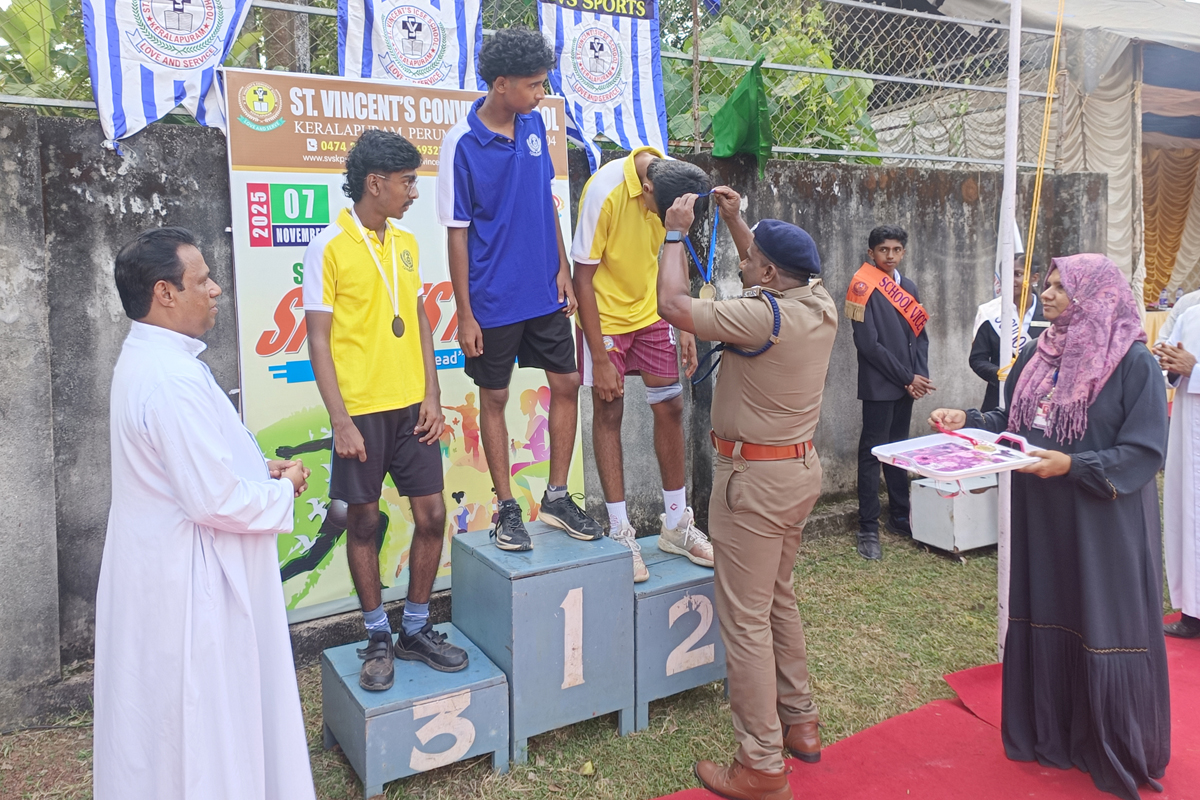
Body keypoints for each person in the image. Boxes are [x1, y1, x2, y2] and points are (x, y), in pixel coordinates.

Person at [930, 254, 1170, 800]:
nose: (1049, 294)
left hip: (1102, 520)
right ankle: (1052, 732)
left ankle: (1110, 743)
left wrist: (1074, 466)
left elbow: (1144, 450)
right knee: (1052, 607)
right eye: (1049, 284)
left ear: (1097, 295)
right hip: (1043, 515)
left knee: (1100, 615)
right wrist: (970, 420)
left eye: (1062, 286)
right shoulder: (1039, 354)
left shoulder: (1133, 363)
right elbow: (1014, 421)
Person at [94, 227, 316, 799]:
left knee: (174, 720)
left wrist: (256, 468)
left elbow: (195, 463)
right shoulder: (169, 378)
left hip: (167, 566)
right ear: (165, 293)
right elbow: (212, 499)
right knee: (207, 720)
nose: (216, 289)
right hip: (191, 583)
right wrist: (285, 488)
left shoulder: (156, 360)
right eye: (203, 280)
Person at [657, 188, 837, 800]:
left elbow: (673, 304)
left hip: (752, 484)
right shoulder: (816, 301)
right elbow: (766, 266)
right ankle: (800, 721)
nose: (745, 261)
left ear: (769, 275)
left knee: (745, 621)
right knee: (778, 598)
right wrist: (736, 221)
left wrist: (675, 234)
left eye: (752, 259)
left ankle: (760, 763)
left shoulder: (762, 317)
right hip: (797, 473)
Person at [304, 130, 468, 691]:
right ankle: (377, 635)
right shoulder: (329, 246)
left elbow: (418, 320)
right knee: (364, 522)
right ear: (375, 183)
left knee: (432, 516)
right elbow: (318, 340)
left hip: (412, 408)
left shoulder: (405, 242)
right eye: (407, 182)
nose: (414, 192)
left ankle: (415, 629)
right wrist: (340, 421)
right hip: (362, 413)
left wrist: (432, 394)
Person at [438, 27, 602, 551]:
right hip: (492, 298)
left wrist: (561, 268)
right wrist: (465, 314)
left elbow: (545, 198)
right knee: (496, 396)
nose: (540, 93)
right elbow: (457, 233)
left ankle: (556, 497)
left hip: (542, 290)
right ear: (501, 84)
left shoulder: (534, 123)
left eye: (543, 83)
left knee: (567, 383)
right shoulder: (461, 143)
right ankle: (507, 508)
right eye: (533, 85)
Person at [571, 147, 714, 581]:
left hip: (653, 312)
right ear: (646, 189)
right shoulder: (604, 191)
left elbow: (675, 248)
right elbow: (581, 277)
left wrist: (684, 322)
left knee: (670, 405)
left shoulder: (671, 180)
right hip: (605, 317)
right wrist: (599, 356)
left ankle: (676, 524)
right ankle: (620, 530)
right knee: (609, 409)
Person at [845, 225, 933, 560]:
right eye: (884, 250)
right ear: (871, 253)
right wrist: (907, 376)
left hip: (907, 384)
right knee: (872, 454)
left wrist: (919, 375)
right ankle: (868, 527)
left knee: (899, 450)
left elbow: (920, 335)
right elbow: (868, 344)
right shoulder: (861, 286)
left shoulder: (908, 286)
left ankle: (899, 515)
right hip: (880, 385)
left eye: (896, 250)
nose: (890, 256)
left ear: (903, 252)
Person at [1155, 306, 1200, 638]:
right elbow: (1168, 364)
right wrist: (1169, 364)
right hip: (1187, 434)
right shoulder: (1191, 315)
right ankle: (1192, 612)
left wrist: (1195, 370)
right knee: (1187, 518)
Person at [969, 255, 1046, 411]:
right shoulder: (990, 313)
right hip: (999, 398)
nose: (1011, 280)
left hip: (1039, 400)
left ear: (1034, 277)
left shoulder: (1049, 313)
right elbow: (977, 359)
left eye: (1017, 274)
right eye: (1006, 275)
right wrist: (1002, 375)